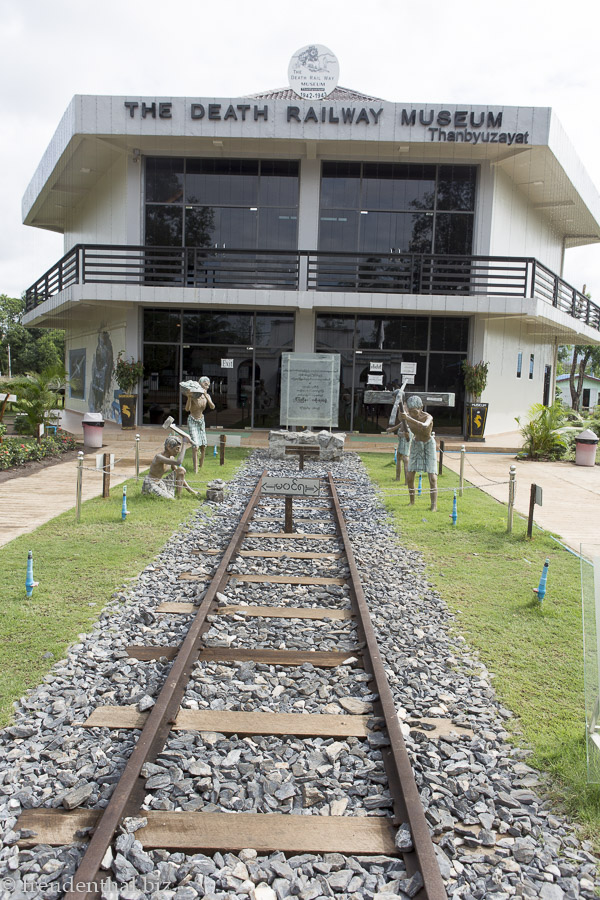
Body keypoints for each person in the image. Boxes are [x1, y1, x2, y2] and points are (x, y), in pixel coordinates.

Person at [396, 395, 438, 511]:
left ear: (421, 408)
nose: (412, 414)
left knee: (432, 478)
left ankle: (433, 505)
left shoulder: (428, 417)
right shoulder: (407, 416)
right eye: (410, 412)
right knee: (410, 476)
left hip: (428, 444)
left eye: (414, 411)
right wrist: (406, 432)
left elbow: (424, 426)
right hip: (416, 443)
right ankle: (412, 501)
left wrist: (408, 418)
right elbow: (404, 424)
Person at [142, 434, 198, 499]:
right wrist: (184, 444)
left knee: (181, 470)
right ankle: (146, 492)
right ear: (168, 447)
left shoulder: (171, 458)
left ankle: (179, 497)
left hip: (160, 482)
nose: (178, 451)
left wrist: (191, 491)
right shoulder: (159, 457)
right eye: (177, 449)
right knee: (170, 499)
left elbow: (179, 474)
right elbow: (179, 462)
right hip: (150, 483)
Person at [180, 376, 215, 471]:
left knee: (204, 445)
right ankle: (195, 469)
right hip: (192, 420)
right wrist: (189, 397)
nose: (207, 386)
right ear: (200, 384)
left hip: (201, 420)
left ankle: (201, 466)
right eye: (205, 384)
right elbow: (187, 409)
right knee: (195, 446)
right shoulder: (193, 395)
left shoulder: (207, 396)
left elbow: (212, 407)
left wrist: (207, 397)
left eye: (208, 385)